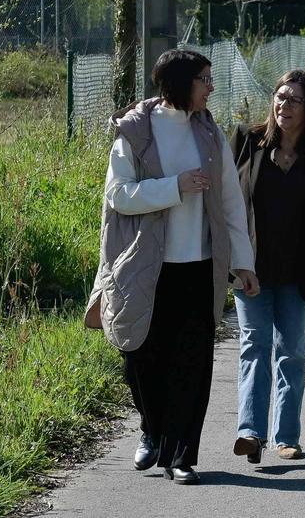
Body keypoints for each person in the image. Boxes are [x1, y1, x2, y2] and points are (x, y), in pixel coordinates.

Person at [87, 49, 259, 485]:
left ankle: (182, 455)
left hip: (200, 268)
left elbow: (231, 203)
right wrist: (174, 187)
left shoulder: (209, 132)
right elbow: (119, 195)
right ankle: (152, 429)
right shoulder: (135, 132)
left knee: (193, 362)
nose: (211, 87)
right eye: (204, 79)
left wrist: (243, 262)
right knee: (140, 356)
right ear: (180, 83)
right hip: (145, 267)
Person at [230, 71, 305, 464]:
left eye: (294, 100)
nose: (284, 105)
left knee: (291, 352)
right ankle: (250, 431)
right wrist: (235, 261)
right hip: (251, 270)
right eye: (280, 97)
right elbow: (231, 206)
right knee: (254, 347)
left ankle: (286, 436)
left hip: (298, 272)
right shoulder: (247, 140)